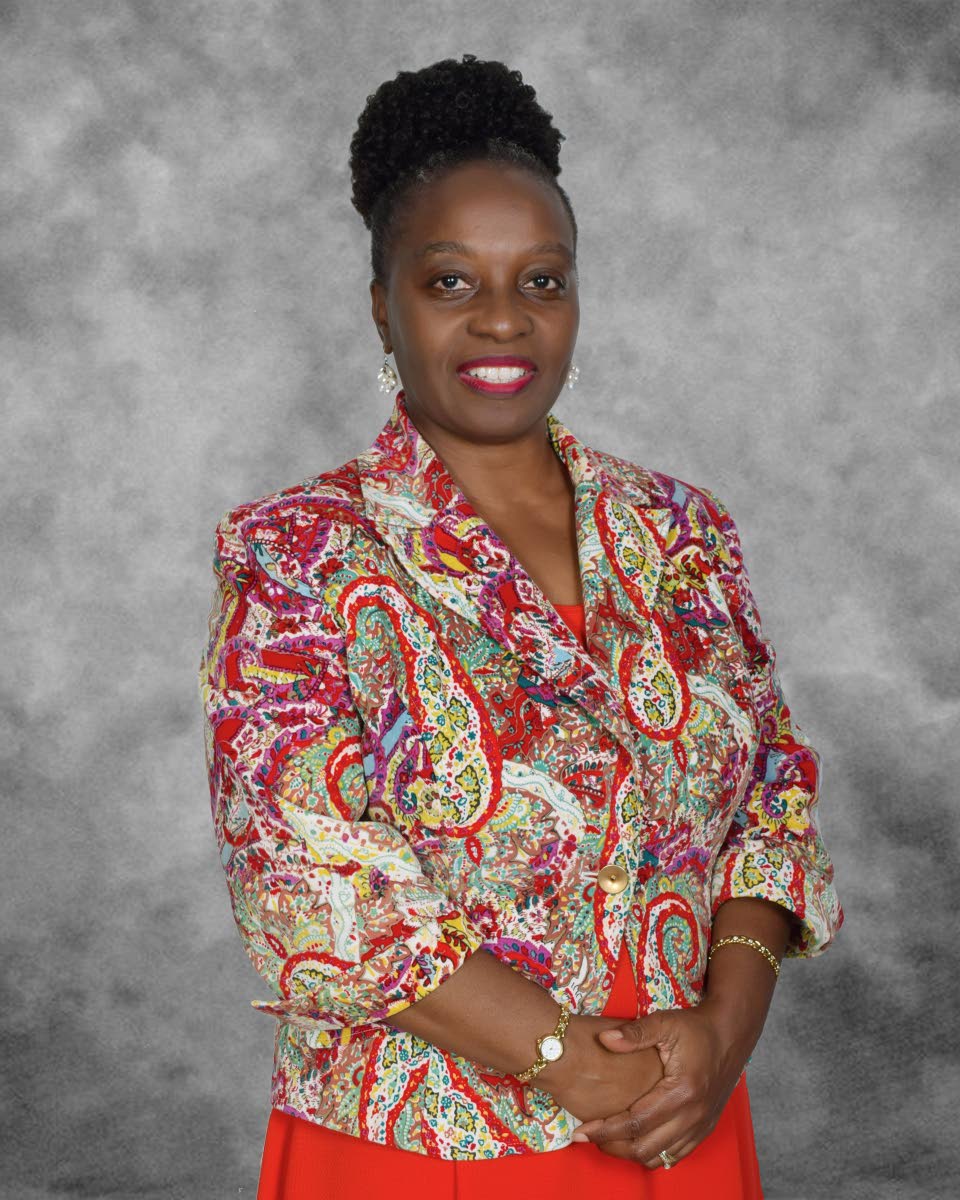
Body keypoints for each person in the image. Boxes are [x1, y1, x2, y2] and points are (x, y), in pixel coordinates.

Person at [198, 54, 843, 1199]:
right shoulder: (300, 551)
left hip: (681, 1120)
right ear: (383, 305)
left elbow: (771, 800)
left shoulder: (681, 532)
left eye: (541, 280)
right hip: (424, 1151)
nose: (503, 318)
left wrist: (723, 1034)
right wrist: (565, 1062)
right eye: (451, 281)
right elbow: (303, 882)